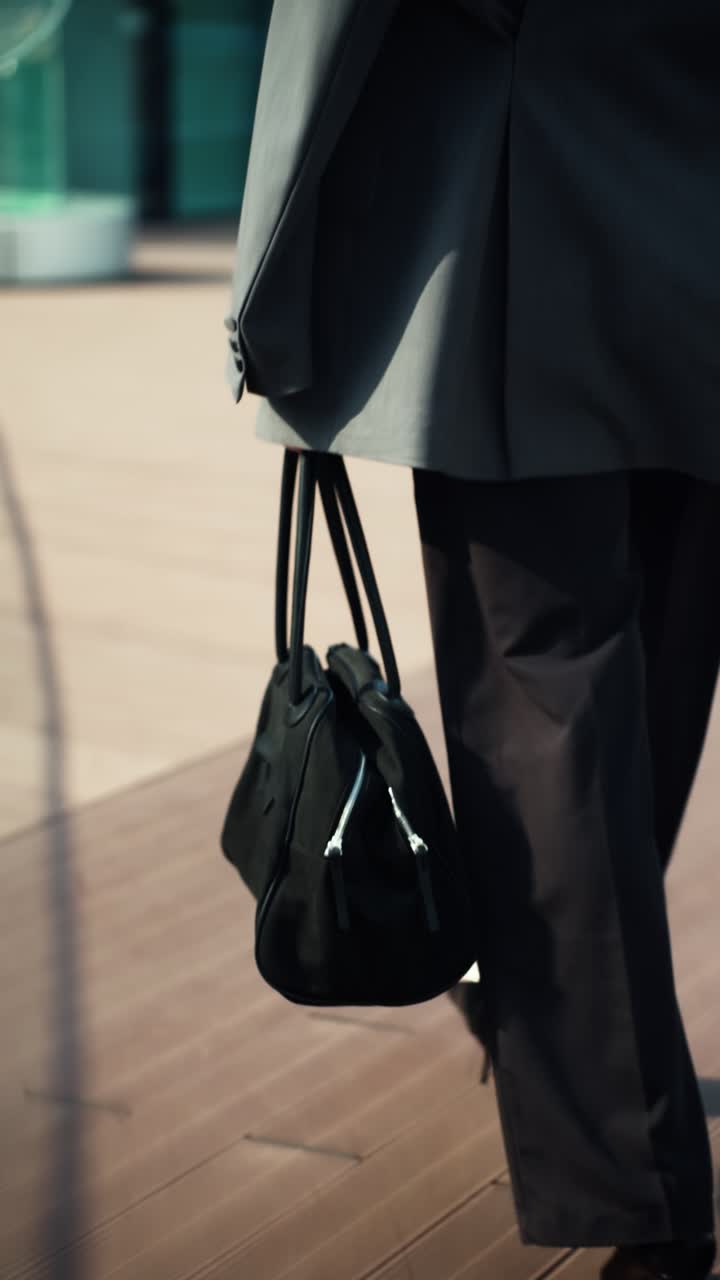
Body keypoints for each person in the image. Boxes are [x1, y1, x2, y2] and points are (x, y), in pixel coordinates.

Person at [222, 3, 720, 1275]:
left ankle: (635, 1197)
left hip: (525, 212)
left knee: (546, 711)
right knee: (650, 674)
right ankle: (564, 1018)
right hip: (692, 208)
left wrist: (269, 284)